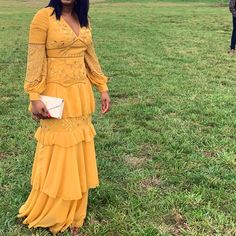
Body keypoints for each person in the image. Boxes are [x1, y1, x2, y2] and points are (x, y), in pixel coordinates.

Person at [16, 0, 111, 235]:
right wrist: (34, 95)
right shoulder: (43, 17)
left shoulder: (83, 19)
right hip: (54, 94)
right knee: (59, 152)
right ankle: (54, 211)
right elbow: (35, 58)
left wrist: (102, 87)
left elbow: (90, 55)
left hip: (80, 94)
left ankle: (76, 209)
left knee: (77, 150)